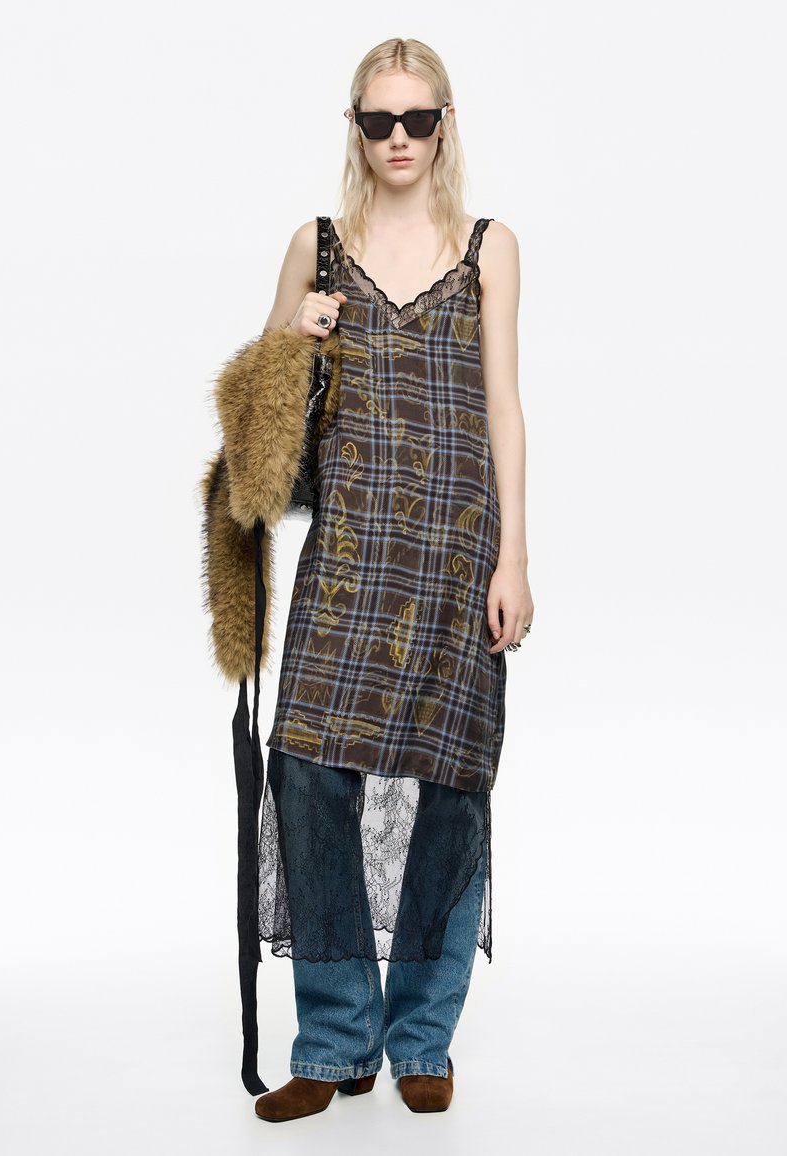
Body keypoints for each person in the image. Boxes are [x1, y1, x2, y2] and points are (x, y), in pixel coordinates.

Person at [252, 37, 533, 1123]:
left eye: (418, 120)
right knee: (309, 775)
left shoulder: (489, 248)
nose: (399, 139)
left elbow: (503, 404)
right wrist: (296, 329)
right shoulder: (317, 247)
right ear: (355, 128)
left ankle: (421, 1037)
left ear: (445, 123)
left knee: (451, 790)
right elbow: (259, 416)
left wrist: (514, 556)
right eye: (379, 122)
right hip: (350, 557)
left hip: (456, 554)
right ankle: (334, 1041)